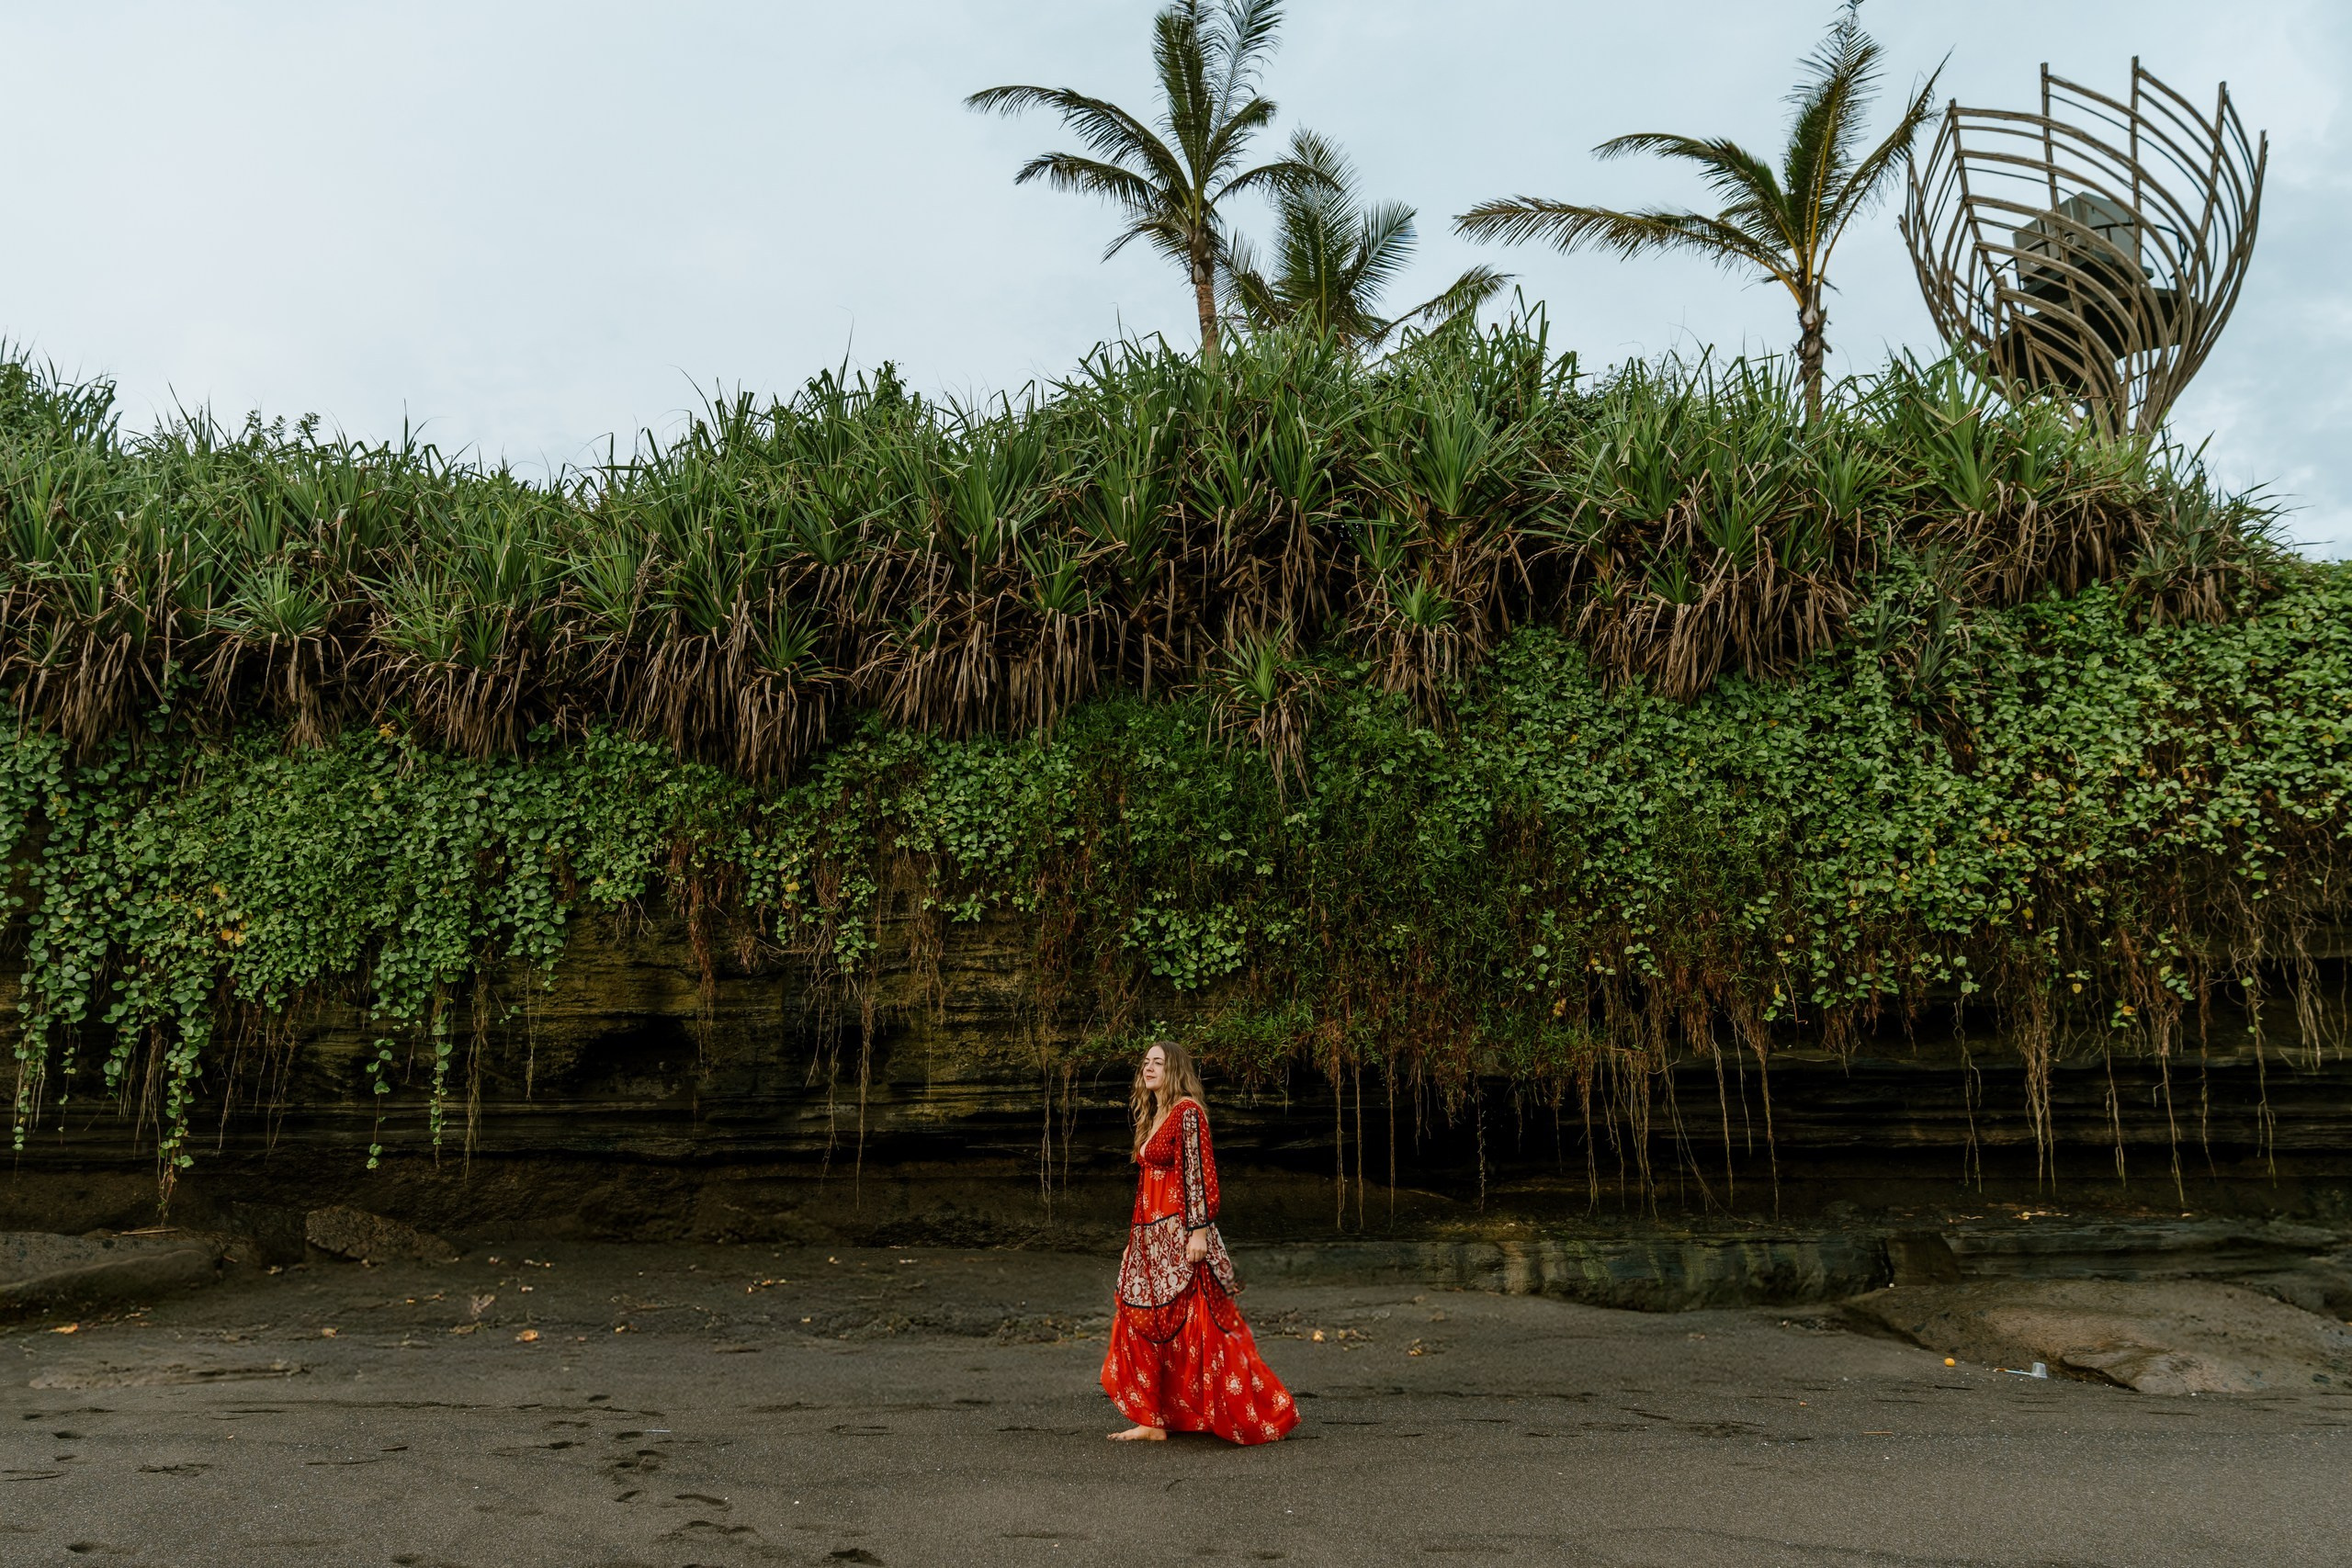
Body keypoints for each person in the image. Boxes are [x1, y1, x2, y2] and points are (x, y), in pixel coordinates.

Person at [1100, 1040, 1299, 1444]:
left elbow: (1200, 1173)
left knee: (1201, 1324)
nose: (1149, 1067)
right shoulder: (1153, 1115)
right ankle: (1152, 1420)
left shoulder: (1187, 1112)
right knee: (1141, 1319)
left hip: (1179, 1233)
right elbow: (1144, 1186)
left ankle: (1256, 1410)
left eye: (1158, 1062)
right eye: (1146, 1061)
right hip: (1148, 1236)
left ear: (1174, 1069)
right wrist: (1132, 1239)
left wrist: (1200, 1232)